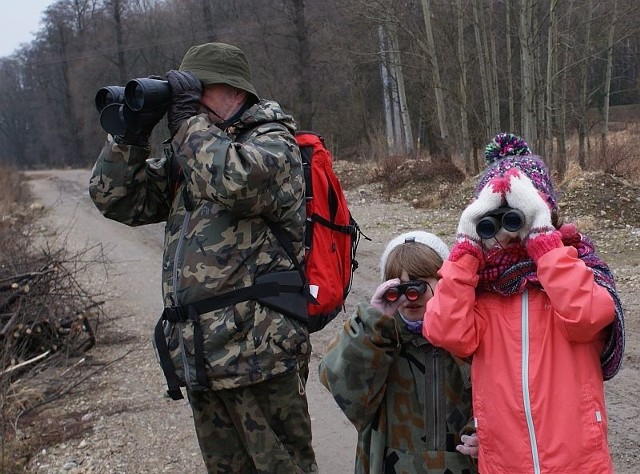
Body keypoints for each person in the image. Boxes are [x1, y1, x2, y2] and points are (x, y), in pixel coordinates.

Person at [89, 42, 317, 473]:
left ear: (233, 91)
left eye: (196, 91)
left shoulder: (271, 141)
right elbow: (115, 199)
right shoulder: (193, 154)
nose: (186, 103)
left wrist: (187, 124)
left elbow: (237, 182)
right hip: (202, 356)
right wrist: (129, 137)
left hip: (259, 353)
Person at [423, 133, 626, 474]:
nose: (509, 230)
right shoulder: (481, 285)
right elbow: (445, 331)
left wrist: (544, 242)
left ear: (544, 211)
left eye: (518, 215)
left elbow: (587, 317)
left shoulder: (576, 264)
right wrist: (466, 246)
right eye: (495, 218)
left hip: (578, 461)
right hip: (505, 462)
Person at [319, 230, 478, 474]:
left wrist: (478, 433)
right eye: (399, 287)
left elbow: (497, 401)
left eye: (421, 283)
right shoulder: (377, 340)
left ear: (445, 281)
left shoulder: (468, 338)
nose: (410, 297)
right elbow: (344, 390)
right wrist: (374, 322)